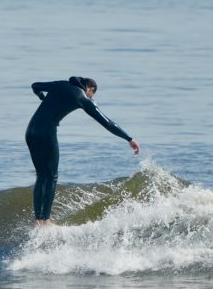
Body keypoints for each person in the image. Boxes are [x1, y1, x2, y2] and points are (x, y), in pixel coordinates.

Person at [26, 76, 140, 226]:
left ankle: (38, 220)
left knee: (41, 175)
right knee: (52, 177)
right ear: (90, 89)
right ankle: (45, 220)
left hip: (30, 131)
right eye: (92, 94)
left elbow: (35, 85)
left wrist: (43, 99)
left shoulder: (60, 84)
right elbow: (107, 122)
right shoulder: (82, 96)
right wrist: (129, 138)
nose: (90, 97)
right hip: (46, 133)